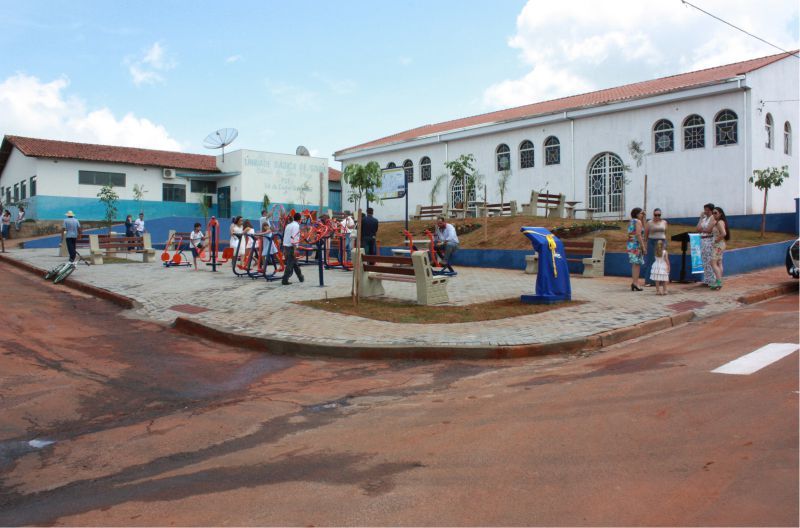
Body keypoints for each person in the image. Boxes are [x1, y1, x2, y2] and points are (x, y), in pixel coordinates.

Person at [643, 207, 668, 286]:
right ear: (653, 215)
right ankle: (649, 281)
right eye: (655, 215)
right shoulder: (649, 222)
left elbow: (665, 233)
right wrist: (645, 245)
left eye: (659, 215)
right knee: (651, 260)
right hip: (652, 242)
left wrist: (665, 243)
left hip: (661, 242)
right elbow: (646, 235)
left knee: (661, 261)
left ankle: (660, 280)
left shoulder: (664, 222)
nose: (657, 216)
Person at [696, 203, 717, 286]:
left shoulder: (712, 218)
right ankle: (707, 279)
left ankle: (712, 279)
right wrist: (701, 218)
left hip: (709, 240)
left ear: (711, 210)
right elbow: (698, 228)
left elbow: (709, 230)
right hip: (702, 240)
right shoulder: (704, 219)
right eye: (705, 210)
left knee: (709, 260)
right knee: (704, 260)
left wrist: (702, 229)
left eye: (707, 210)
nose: (705, 211)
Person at [281, 212, 304, 285]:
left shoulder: (288, 225)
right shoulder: (296, 226)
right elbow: (294, 237)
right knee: (290, 264)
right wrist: (295, 249)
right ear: (300, 219)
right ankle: (285, 279)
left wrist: (284, 248)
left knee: (294, 263)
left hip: (287, 246)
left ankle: (301, 277)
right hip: (291, 247)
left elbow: (285, 237)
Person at [710, 207, 729, 290]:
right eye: (713, 213)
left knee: (713, 263)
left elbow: (724, 233)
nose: (714, 214)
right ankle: (719, 280)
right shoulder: (719, 222)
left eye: (715, 213)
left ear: (720, 214)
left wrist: (716, 240)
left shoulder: (719, 223)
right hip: (721, 245)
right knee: (719, 262)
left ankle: (718, 282)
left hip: (718, 245)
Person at [627, 207, 646, 291]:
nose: (643, 215)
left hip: (631, 245)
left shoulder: (631, 221)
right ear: (637, 214)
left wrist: (644, 218)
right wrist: (643, 246)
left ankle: (635, 283)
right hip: (636, 245)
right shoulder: (638, 221)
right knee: (637, 265)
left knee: (635, 264)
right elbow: (638, 235)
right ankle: (635, 283)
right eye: (642, 213)